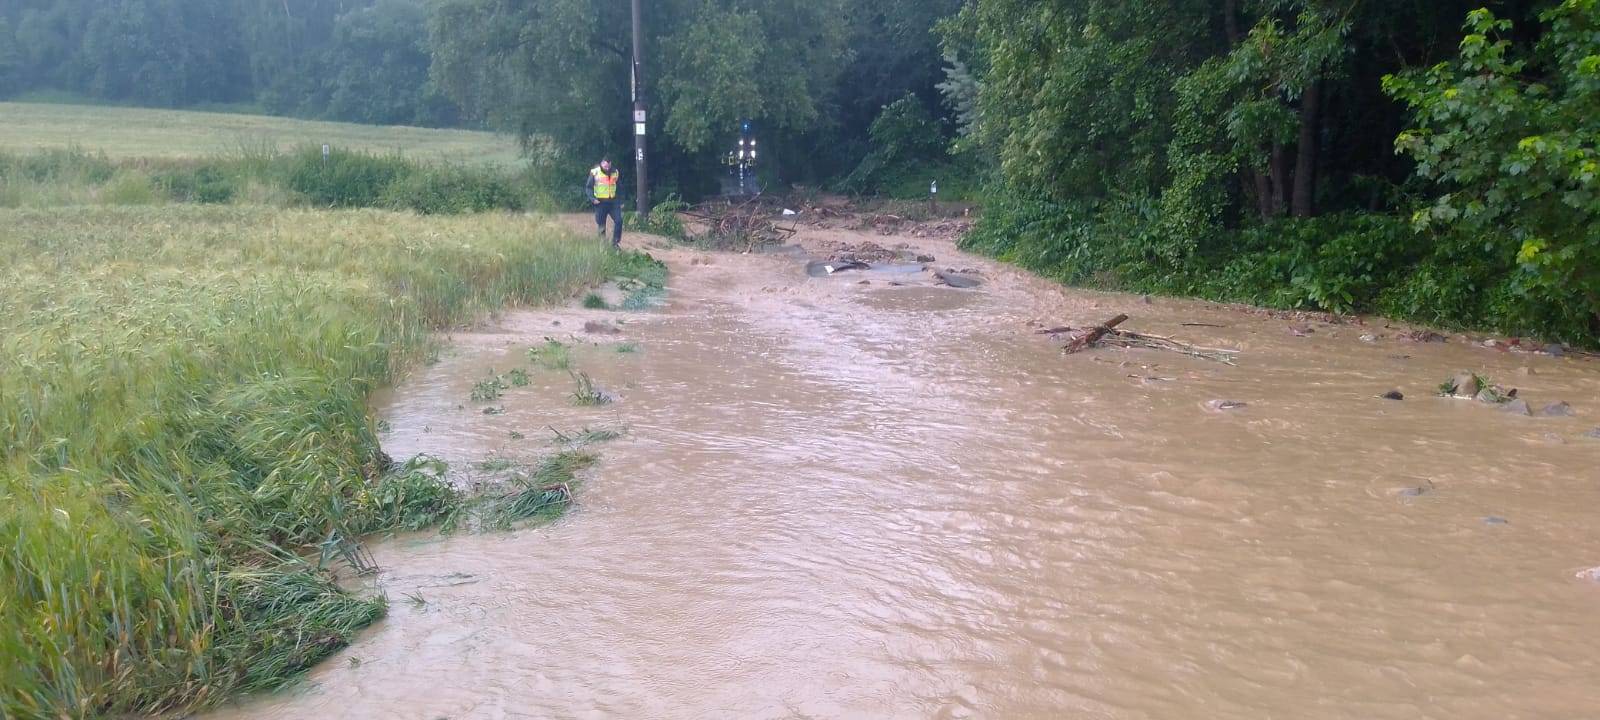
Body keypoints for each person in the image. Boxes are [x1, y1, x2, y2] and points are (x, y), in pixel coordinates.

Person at [586, 158, 623, 248]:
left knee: (619, 221)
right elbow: (588, 187)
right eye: (605, 166)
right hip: (600, 202)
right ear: (601, 164)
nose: (607, 168)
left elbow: (620, 187)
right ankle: (602, 244)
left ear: (611, 164)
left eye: (608, 166)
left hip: (613, 202)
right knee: (601, 224)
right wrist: (593, 199)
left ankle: (615, 243)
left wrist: (621, 201)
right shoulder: (595, 172)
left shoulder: (615, 172)